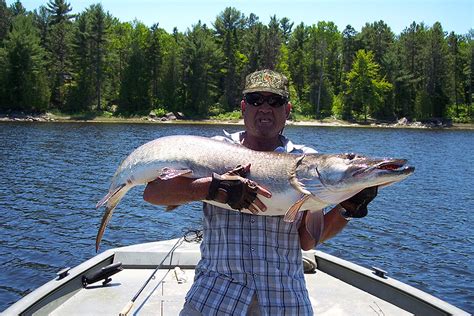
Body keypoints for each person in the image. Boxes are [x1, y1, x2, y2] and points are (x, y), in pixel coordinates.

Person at [143, 69, 378, 315]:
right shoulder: (212, 151)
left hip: (285, 302)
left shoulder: (306, 162)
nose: (265, 108)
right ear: (244, 107)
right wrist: (211, 187)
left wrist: (347, 208)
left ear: (287, 110)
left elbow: (307, 241)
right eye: (256, 100)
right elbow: (153, 194)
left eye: (275, 101)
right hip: (214, 299)